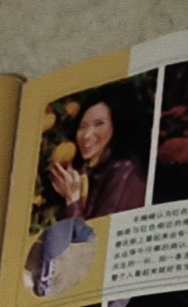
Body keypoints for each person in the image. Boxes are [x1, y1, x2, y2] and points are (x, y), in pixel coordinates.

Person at [48, 85, 148, 221]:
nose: (86, 135)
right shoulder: (90, 172)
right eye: (82, 126)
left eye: (99, 124)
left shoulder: (124, 171)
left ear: (117, 126)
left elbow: (96, 233)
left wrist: (72, 198)